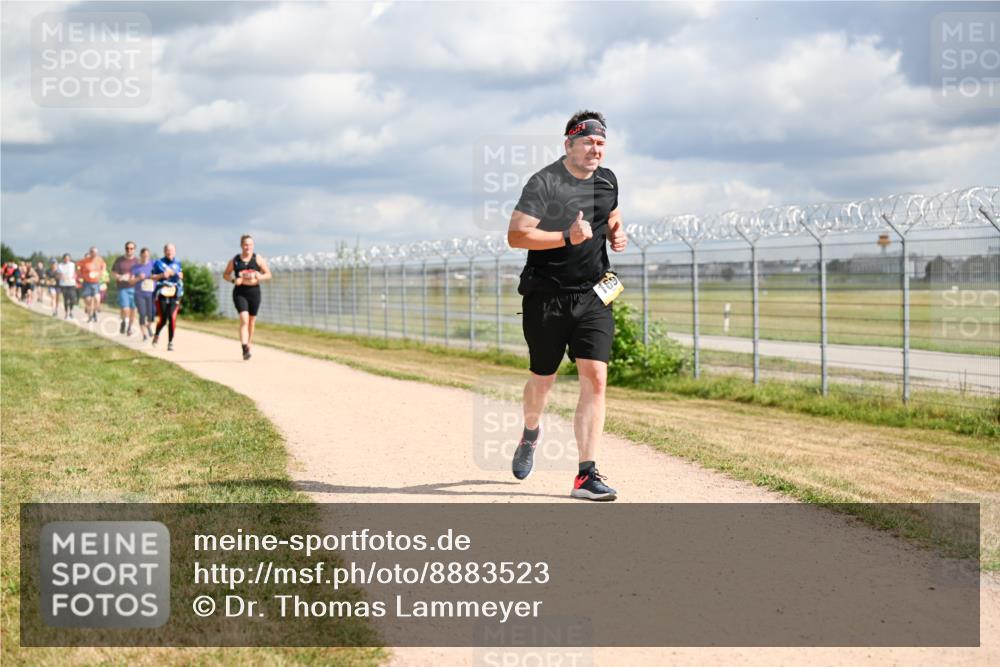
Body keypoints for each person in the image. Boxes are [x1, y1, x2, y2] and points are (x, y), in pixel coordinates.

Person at [505, 110, 628, 501]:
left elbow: (612, 214)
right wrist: (566, 237)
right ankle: (530, 432)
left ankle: (585, 475)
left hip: (595, 294)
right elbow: (516, 235)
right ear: (569, 144)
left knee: (596, 377)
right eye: (588, 142)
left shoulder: (608, 180)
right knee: (543, 378)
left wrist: (617, 232)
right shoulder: (544, 182)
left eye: (601, 143)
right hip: (547, 296)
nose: (595, 149)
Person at [222, 234, 272, 360]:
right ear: (241, 246)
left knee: (251, 320)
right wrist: (234, 280)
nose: (248, 247)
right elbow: (226, 274)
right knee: (244, 319)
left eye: (250, 245)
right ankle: (244, 348)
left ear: (253, 246)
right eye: (245, 245)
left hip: (254, 292)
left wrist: (260, 276)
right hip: (240, 292)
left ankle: (249, 343)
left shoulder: (258, 259)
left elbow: (268, 274)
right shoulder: (235, 260)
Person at [151, 243, 183, 351]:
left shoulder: (178, 262)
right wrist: (162, 275)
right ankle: (157, 334)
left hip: (175, 293)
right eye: (167, 250)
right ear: (164, 252)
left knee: (172, 318)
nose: (170, 252)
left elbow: (181, 275)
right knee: (163, 320)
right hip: (162, 292)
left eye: (171, 250)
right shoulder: (158, 263)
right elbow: (152, 277)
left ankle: (170, 342)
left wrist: (178, 275)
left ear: (175, 252)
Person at [111, 241, 139, 335]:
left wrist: (134, 278)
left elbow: (141, 274)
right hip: (123, 288)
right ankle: (124, 321)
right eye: (127, 248)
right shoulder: (119, 260)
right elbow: (113, 273)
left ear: (134, 250)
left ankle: (129, 328)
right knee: (125, 309)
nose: (129, 250)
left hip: (135, 288)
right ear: (125, 249)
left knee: (133, 309)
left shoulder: (137, 261)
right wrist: (119, 276)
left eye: (131, 248)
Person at [130, 248, 157, 340]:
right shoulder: (135, 267)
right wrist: (138, 278)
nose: (146, 257)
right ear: (140, 256)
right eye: (144, 255)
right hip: (139, 294)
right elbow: (131, 282)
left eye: (147, 256)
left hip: (151, 294)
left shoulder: (153, 264)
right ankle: (144, 334)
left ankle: (148, 326)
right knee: (142, 313)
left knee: (151, 315)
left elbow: (161, 273)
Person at [76, 247, 106, 323]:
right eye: (92, 252)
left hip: (96, 282)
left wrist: (100, 273)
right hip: (87, 283)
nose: (94, 254)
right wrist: (81, 275)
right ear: (90, 252)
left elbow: (103, 267)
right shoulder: (84, 261)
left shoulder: (99, 260)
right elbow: (78, 267)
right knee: (88, 301)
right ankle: (90, 317)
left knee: (96, 298)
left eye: (95, 253)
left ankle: (96, 310)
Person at [56, 253, 78, 319]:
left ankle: (71, 311)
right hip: (63, 284)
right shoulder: (60, 265)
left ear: (70, 259)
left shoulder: (73, 264)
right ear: (63, 259)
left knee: (73, 299)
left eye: (68, 258)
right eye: (65, 258)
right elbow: (57, 275)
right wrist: (61, 276)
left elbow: (76, 272)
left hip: (71, 284)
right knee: (66, 299)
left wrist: (75, 276)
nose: (67, 259)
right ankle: (66, 313)